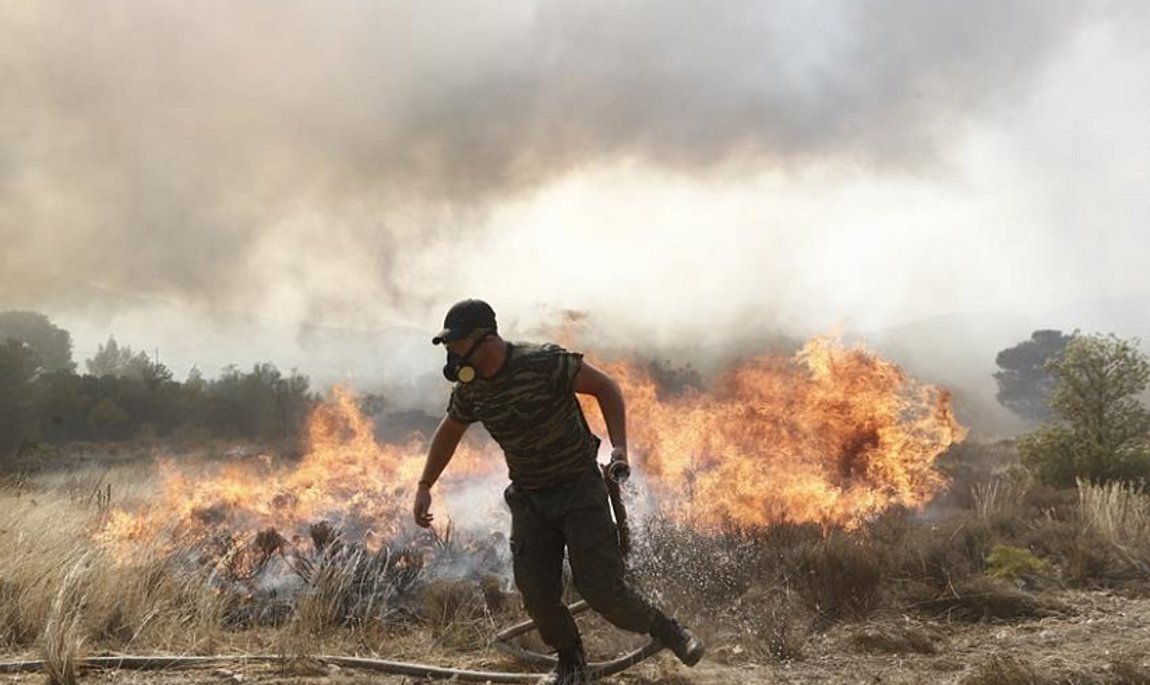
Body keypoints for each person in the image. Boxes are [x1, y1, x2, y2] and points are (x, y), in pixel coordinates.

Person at [413, 299, 704, 685]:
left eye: (457, 341)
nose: (451, 351)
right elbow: (450, 432)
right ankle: (571, 661)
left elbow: (605, 387)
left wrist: (619, 448)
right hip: (530, 498)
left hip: (578, 490)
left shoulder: (543, 362)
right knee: (536, 593)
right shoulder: (472, 390)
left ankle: (670, 632)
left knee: (602, 591)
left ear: (485, 339)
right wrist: (424, 485)